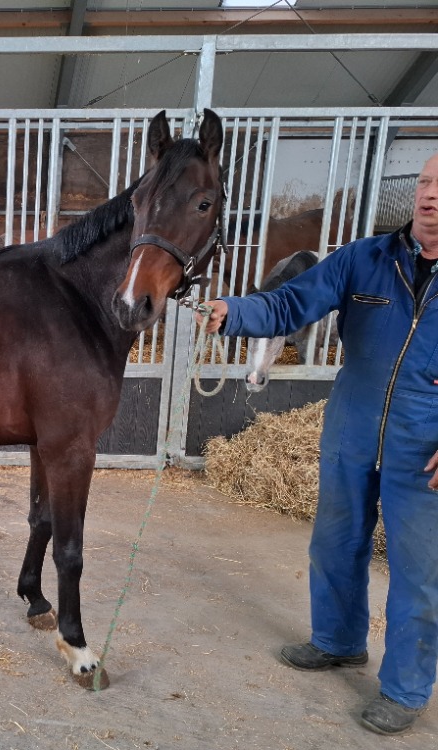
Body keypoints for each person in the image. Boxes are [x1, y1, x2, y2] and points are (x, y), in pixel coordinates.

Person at [197, 153, 438, 736]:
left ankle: (404, 690)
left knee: (420, 570)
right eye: (427, 182)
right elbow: (291, 302)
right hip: (353, 420)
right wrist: (233, 311)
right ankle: (337, 641)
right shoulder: (365, 258)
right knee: (335, 542)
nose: (431, 195)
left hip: (425, 440)